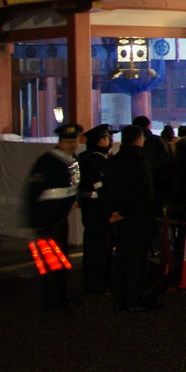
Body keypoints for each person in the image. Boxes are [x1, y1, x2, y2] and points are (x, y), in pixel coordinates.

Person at [25, 123, 84, 313]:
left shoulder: (72, 160)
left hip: (60, 219)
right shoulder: (47, 161)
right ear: (60, 142)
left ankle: (61, 298)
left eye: (74, 140)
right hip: (47, 220)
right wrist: (37, 223)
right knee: (51, 265)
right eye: (67, 141)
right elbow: (34, 192)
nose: (72, 145)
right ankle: (52, 303)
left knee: (61, 261)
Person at [101, 125, 158, 311]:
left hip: (118, 216)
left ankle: (118, 298)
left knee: (120, 258)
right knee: (137, 260)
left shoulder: (112, 161)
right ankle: (134, 300)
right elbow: (146, 193)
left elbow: (105, 191)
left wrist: (115, 212)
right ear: (139, 139)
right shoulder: (141, 161)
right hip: (138, 216)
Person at [76, 124, 113, 295]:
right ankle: (97, 284)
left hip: (89, 207)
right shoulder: (96, 160)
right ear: (100, 140)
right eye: (107, 137)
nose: (110, 140)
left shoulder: (85, 157)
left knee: (93, 246)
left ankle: (93, 282)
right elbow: (101, 187)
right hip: (98, 209)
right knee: (98, 247)